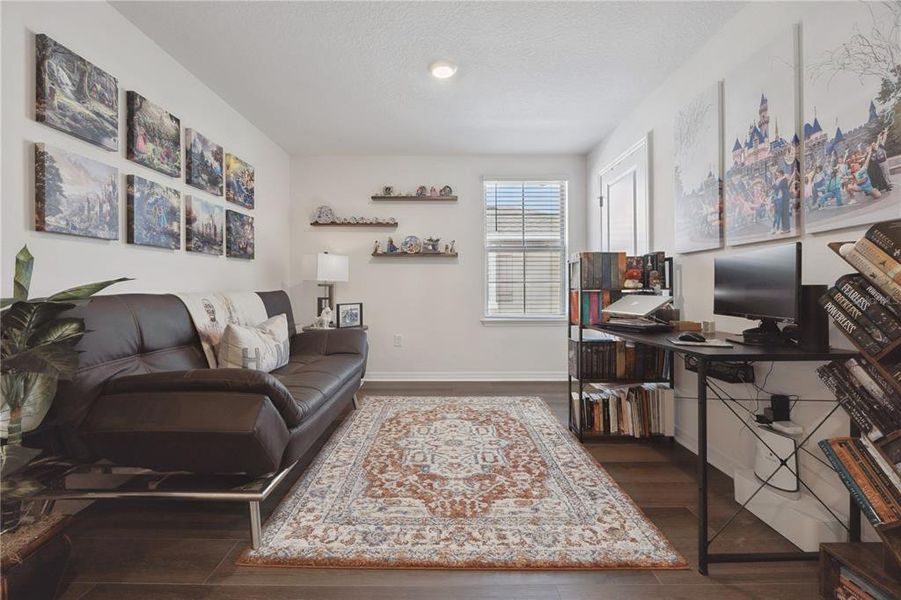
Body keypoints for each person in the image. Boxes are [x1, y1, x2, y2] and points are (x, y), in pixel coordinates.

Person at [770, 168, 790, 234]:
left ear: (781, 174)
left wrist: (774, 184)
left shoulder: (783, 180)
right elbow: (774, 187)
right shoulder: (780, 180)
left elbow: (777, 187)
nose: (777, 175)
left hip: (785, 198)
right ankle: (784, 228)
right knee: (782, 214)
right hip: (782, 199)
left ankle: (786, 228)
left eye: (778, 174)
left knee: (785, 214)